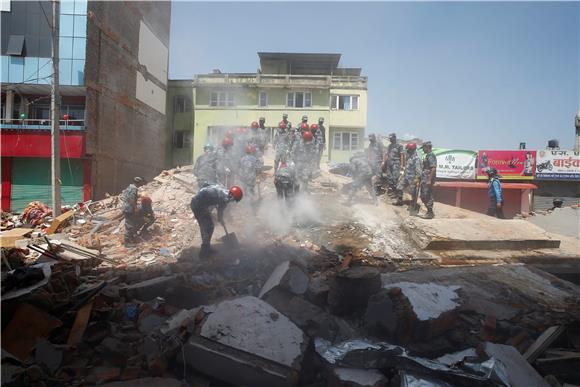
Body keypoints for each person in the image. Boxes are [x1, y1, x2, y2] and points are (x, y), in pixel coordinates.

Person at [190, 185, 243, 259]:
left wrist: (220, 219)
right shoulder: (224, 198)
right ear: (232, 195)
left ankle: (207, 248)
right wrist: (220, 218)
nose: (232, 201)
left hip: (201, 203)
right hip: (198, 204)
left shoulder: (224, 192)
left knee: (210, 226)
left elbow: (220, 210)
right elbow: (220, 209)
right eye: (234, 200)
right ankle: (204, 253)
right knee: (206, 226)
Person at [394, 143, 422, 209]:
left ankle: (412, 205)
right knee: (399, 187)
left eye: (408, 149)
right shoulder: (409, 157)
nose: (407, 151)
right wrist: (403, 174)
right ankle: (400, 200)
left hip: (412, 178)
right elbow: (407, 167)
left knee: (413, 193)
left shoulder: (416, 159)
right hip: (406, 176)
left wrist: (417, 178)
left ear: (412, 150)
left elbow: (419, 170)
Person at [121, 177, 145, 245]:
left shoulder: (130, 186)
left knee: (130, 224)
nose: (141, 184)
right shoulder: (134, 188)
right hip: (129, 209)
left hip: (125, 208)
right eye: (141, 183)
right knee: (129, 225)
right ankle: (127, 242)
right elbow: (131, 199)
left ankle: (130, 238)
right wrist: (135, 208)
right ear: (138, 182)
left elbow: (127, 196)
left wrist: (138, 196)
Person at [419, 141, 437, 219]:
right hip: (424, 178)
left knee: (427, 195)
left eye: (423, 147)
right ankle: (429, 211)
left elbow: (433, 168)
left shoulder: (431, 155)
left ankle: (430, 212)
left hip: (427, 179)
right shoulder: (427, 156)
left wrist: (429, 179)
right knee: (423, 195)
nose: (423, 149)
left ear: (427, 147)